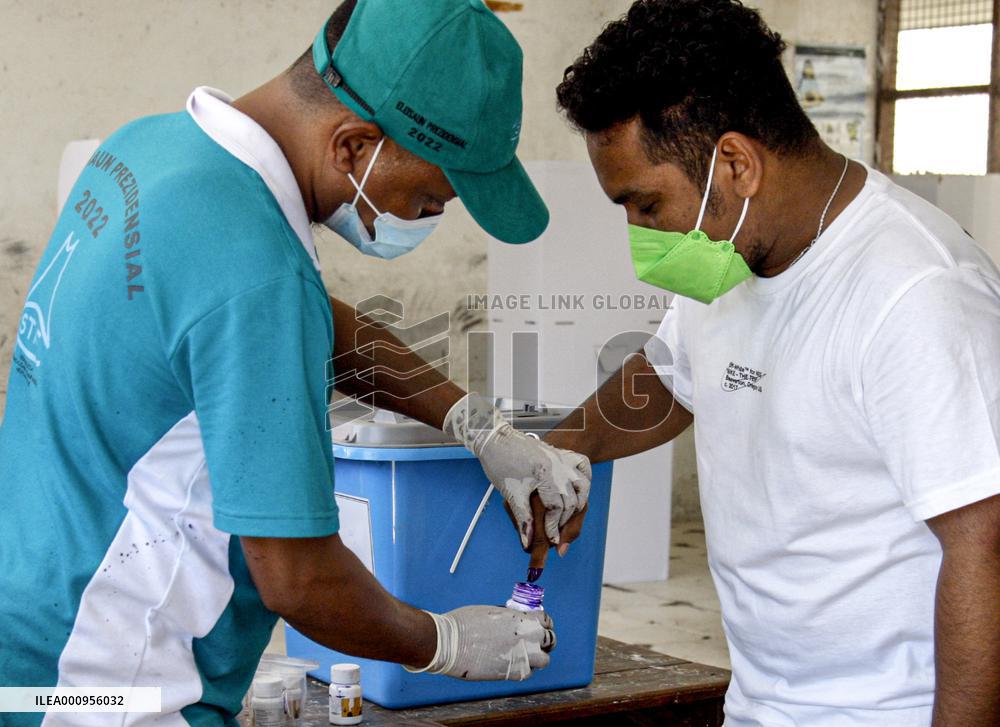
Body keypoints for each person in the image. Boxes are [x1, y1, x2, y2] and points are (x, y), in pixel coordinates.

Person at [0, 1, 591, 723]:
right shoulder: (255, 270)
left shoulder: (155, 152)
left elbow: (312, 320)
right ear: (353, 147)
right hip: (115, 687)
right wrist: (446, 640)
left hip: (32, 640)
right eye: (432, 196)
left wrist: (476, 425)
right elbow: (298, 577)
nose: (431, 218)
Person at [517, 1, 1000, 725]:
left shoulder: (917, 293)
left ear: (736, 163)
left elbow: (983, 548)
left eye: (646, 205)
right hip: (761, 701)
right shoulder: (730, 254)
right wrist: (567, 447)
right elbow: (671, 375)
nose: (638, 235)